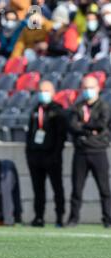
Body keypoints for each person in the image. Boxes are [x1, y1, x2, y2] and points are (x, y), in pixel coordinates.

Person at [68, 76, 111, 228]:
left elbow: (101, 124)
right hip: (81, 152)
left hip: (98, 151)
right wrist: (89, 129)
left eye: (91, 87)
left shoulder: (104, 106)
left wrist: (83, 126)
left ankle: (108, 219)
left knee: (104, 189)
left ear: (98, 88)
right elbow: (72, 126)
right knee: (76, 189)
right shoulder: (78, 107)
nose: (88, 91)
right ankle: (73, 219)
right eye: (85, 88)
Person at [26, 81, 67, 228]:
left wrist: (56, 154)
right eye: (41, 90)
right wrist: (29, 154)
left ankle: (59, 217)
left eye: (46, 90)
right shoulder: (35, 110)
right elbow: (30, 133)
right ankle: (38, 217)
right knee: (38, 189)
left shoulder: (58, 111)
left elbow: (61, 136)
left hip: (52, 156)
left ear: (53, 92)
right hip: (36, 156)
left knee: (57, 188)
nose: (43, 93)